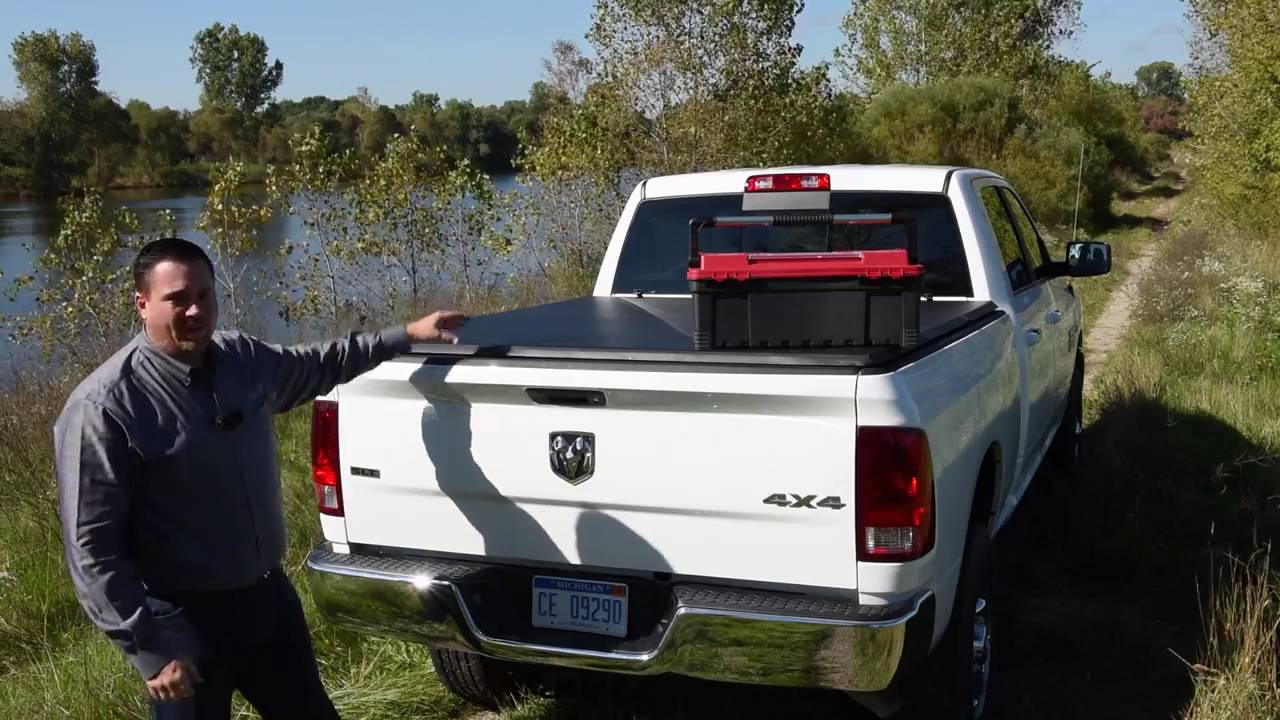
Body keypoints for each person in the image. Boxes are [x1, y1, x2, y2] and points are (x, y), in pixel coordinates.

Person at [52, 237, 466, 719]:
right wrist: (149, 650)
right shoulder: (104, 408)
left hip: (267, 602)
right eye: (177, 299)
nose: (195, 311)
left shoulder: (242, 360)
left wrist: (407, 334)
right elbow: (91, 548)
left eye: (204, 296)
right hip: (183, 624)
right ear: (142, 304)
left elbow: (319, 364)